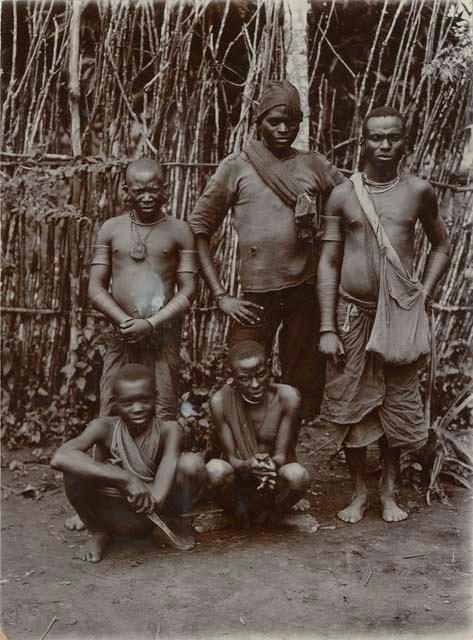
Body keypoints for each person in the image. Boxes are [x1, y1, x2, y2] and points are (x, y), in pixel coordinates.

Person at [317, 106, 450, 524]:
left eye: (393, 137)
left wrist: (422, 293)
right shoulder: (342, 195)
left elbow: (440, 245)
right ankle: (359, 491)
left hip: (399, 315)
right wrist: (327, 326)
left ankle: (388, 490)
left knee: (396, 400)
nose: (385, 145)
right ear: (364, 141)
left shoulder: (418, 191)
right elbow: (329, 262)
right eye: (376, 137)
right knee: (350, 401)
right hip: (352, 315)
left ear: (404, 142)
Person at [189, 80, 346, 418]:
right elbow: (198, 229)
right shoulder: (236, 167)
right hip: (254, 299)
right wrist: (221, 296)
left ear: (300, 123)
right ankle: (239, 457)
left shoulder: (314, 165)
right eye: (274, 121)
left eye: (291, 121)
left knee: (302, 385)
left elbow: (352, 204)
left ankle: (284, 455)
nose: (283, 129)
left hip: (304, 293)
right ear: (258, 122)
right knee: (243, 375)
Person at [51, 364, 207, 562]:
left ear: (155, 396)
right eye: (127, 403)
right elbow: (60, 457)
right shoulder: (104, 427)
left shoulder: (170, 430)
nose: (138, 409)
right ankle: (98, 532)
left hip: (152, 510)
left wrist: (130, 484)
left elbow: (157, 496)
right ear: (115, 402)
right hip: (111, 511)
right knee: (72, 469)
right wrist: (124, 478)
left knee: (192, 463)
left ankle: (167, 525)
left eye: (144, 400)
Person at [89, 156, 198, 421]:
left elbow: (189, 290)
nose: (147, 197)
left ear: (166, 189)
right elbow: (95, 288)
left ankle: (159, 461)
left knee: (164, 406)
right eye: (139, 191)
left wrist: (151, 324)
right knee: (112, 404)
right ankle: (108, 462)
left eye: (153, 189)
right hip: (121, 332)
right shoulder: (110, 229)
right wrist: (125, 321)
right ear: (126, 192)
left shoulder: (180, 231)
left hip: (163, 334)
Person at [206, 340, 310, 526]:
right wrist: (248, 465)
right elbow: (231, 458)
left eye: (261, 375)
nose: (255, 384)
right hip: (239, 478)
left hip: (273, 477)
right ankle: (235, 513)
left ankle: (274, 514)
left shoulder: (287, 397)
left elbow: (281, 455)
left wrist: (269, 464)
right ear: (232, 377)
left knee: (298, 475)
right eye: (245, 378)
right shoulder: (220, 401)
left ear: (269, 367)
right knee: (214, 469)